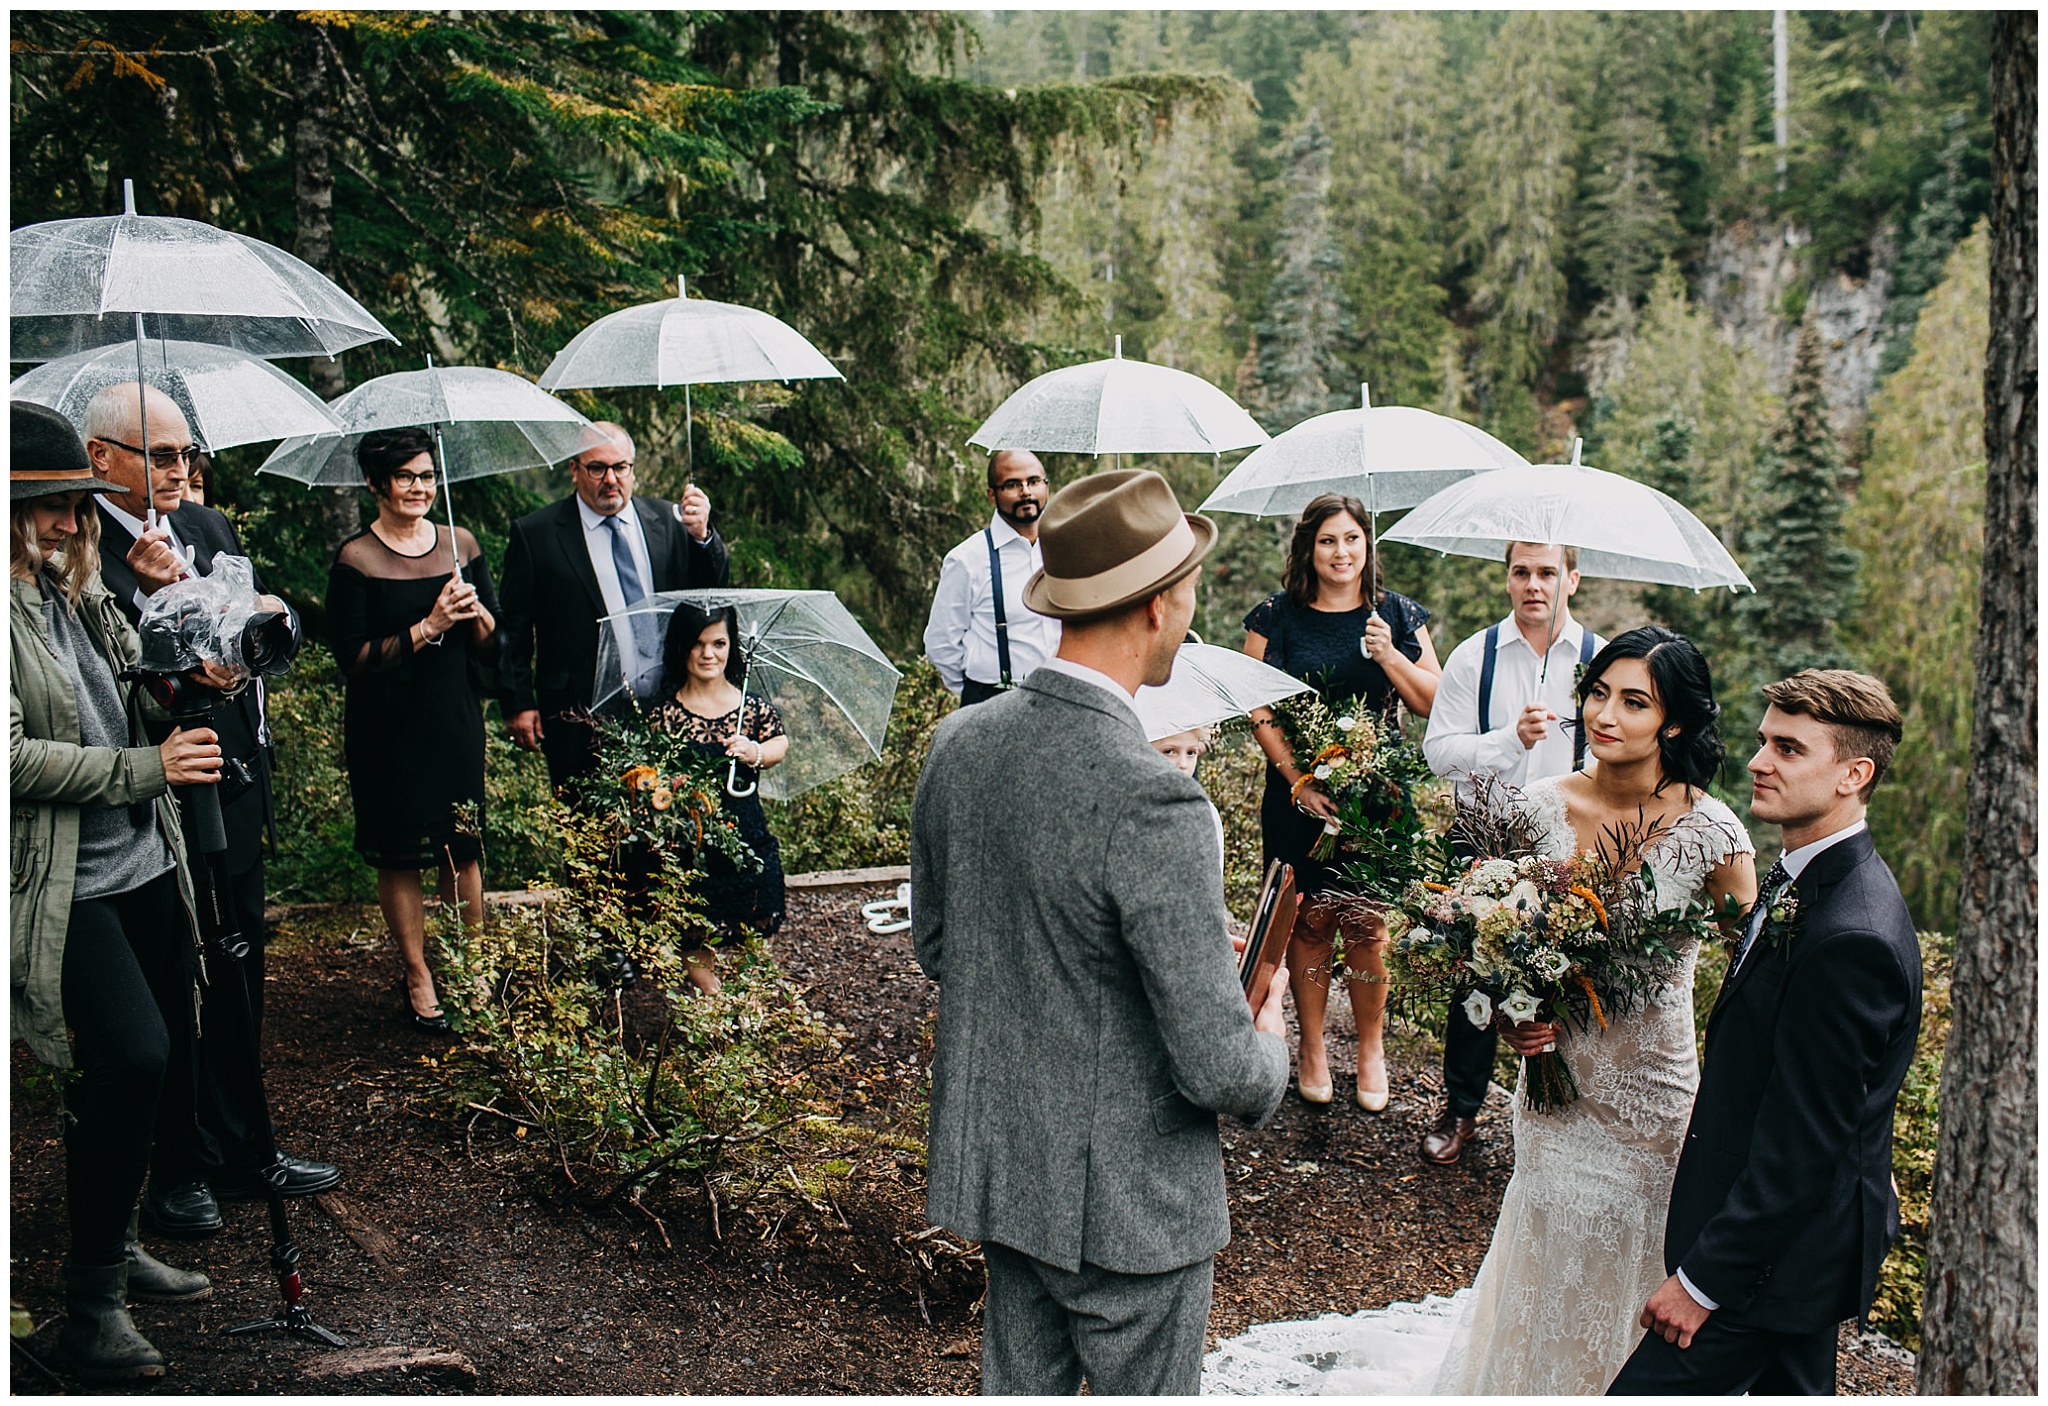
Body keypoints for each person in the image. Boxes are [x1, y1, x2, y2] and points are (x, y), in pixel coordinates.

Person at [1201, 627, 1755, 1397]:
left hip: (1655, 1106)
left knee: (1639, 1282)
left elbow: (1750, 983)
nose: (1606, 714)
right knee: (1547, 1271)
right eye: (1598, 693)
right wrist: (1509, 1013)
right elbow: (1479, 949)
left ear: (1676, 724)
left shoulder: (1714, 834)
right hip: (1556, 1105)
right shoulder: (1535, 810)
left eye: (1635, 702)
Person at [912, 469, 1292, 1395]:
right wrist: (1269, 1031)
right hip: (1130, 1208)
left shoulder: (959, 745)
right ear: (1159, 605)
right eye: (1192, 584)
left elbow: (941, 946)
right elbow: (1219, 1069)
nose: (1195, 604)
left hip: (1008, 1176)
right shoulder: (1154, 795)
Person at [1611, 670, 1918, 1396]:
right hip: (1791, 1244)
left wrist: (1704, 1282)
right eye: (1762, 742)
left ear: (1854, 774)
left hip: (1776, 1262)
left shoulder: (1854, 936)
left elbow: (1806, 1141)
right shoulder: (1798, 880)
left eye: (1788, 748)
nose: (1758, 761)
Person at [81, 382, 340, 1237]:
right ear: (101, 459)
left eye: (189, 453)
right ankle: (176, 1165)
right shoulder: (77, 550)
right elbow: (120, 686)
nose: (184, 470)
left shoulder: (206, 528)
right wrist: (163, 606)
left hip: (233, 778)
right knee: (175, 984)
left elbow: (260, 635)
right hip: (154, 793)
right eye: (162, 455)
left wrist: (262, 610)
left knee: (239, 972)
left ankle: (246, 1145)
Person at [9, 401, 217, 1380]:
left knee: (139, 1063)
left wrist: (180, 656)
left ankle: (113, 1240)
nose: (68, 521)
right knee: (131, 1053)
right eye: (47, 506)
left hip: (141, 860)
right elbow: (10, 758)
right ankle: (87, 1307)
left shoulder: (76, 588)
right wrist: (148, 769)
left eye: (75, 503)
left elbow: (125, 690)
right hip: (67, 882)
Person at [1242, 493, 1439, 1112]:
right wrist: (1299, 779)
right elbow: (1257, 707)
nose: (1341, 552)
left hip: (1377, 798)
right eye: (1328, 540)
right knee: (1307, 921)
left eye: (1352, 539)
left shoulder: (1398, 616)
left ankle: (1372, 1047)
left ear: (1367, 546)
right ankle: (1314, 1047)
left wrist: (1389, 653)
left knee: (1366, 925)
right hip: (1299, 796)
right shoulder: (1277, 617)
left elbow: (1432, 701)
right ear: (1309, 547)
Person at [1417, 541, 1604, 1166]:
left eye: (1547, 572)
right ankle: (1463, 1108)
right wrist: (1506, 741)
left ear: (1571, 580)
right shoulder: (1477, 657)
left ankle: (1552, 1117)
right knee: (1477, 976)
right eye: (1521, 572)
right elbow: (1437, 751)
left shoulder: (1600, 660)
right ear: (1507, 580)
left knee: (1564, 978)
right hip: (1482, 837)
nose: (1534, 584)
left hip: (1564, 846)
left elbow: (1619, 749)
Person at [326, 427, 500, 1032]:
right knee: (399, 851)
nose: (419, 488)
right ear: (377, 484)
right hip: (386, 728)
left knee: (462, 846)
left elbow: (490, 646)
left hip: (452, 718)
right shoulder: (356, 558)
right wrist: (428, 626)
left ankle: (473, 965)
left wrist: (474, 615)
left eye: (426, 475)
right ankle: (418, 971)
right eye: (405, 477)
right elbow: (352, 657)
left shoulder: (462, 543)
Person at [498, 423, 729, 786]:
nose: (611, 479)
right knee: (588, 831)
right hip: (578, 713)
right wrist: (518, 703)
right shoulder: (537, 534)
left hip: (670, 707)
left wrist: (702, 537)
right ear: (574, 470)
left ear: (632, 469)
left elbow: (709, 598)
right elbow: (513, 629)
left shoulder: (668, 521)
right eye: (597, 468)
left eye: (621, 467)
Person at [647, 601, 789, 993]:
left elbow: (780, 743)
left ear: (732, 646)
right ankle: (713, 1002)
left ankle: (746, 1001)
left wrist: (755, 752)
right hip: (691, 847)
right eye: (698, 644)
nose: (709, 654)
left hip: (746, 837)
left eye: (719, 643)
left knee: (753, 924)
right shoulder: (666, 713)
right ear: (682, 648)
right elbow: (650, 775)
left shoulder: (750, 706)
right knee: (694, 933)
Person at [921, 448, 1060, 705]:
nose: (1026, 492)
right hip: (993, 701)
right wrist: (977, 694)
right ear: (992, 495)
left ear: (1046, 486)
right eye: (1012, 485)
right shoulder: (967, 559)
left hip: (1064, 699)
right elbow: (941, 644)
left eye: (1033, 481)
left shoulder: (1065, 548)